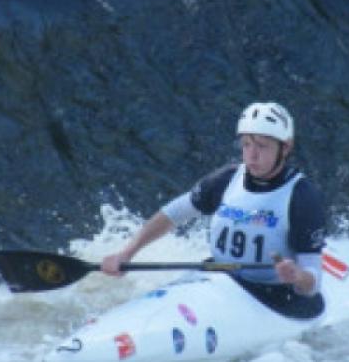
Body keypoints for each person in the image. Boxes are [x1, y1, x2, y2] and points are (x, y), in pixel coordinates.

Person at [101, 102, 326, 319]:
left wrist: (297, 276)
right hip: (217, 279)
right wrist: (127, 253)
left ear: (285, 147)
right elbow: (172, 214)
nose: (252, 155)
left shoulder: (302, 197)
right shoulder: (226, 179)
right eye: (246, 144)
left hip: (268, 295)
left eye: (262, 145)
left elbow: (312, 285)